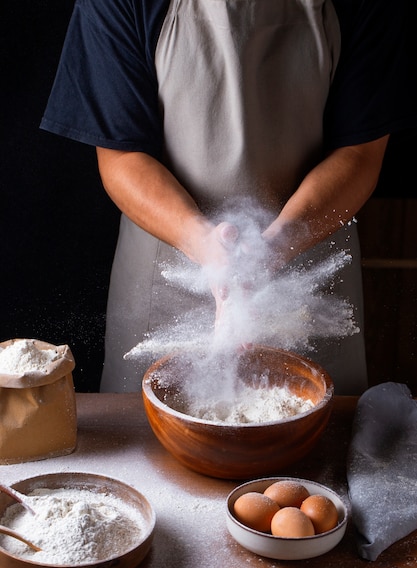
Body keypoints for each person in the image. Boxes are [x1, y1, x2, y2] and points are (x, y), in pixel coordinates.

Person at [40, 0, 416, 394]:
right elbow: (121, 159)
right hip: (166, 280)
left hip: (307, 277)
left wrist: (270, 250)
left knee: (314, 441)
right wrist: (208, 249)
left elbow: (359, 156)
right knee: (151, 449)